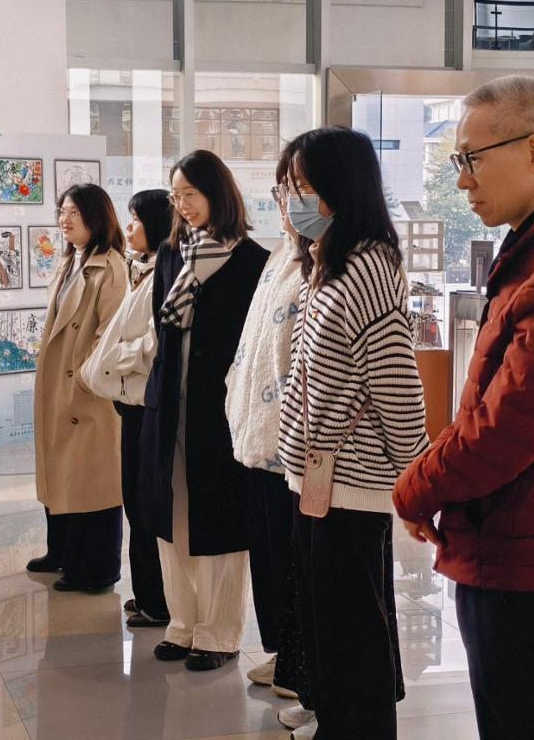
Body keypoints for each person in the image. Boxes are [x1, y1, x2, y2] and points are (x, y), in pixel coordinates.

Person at [393, 75, 534, 740]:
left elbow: (499, 435)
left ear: (532, 150)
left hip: (524, 555)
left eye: (470, 158)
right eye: (455, 161)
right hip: (512, 544)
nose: (462, 179)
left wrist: (414, 489)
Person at [276, 126, 428, 740]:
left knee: (352, 640)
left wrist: (420, 484)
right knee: (328, 634)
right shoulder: (329, 263)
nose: (293, 200)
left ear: (340, 187)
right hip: (316, 477)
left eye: (302, 186)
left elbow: (397, 388)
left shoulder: (368, 269)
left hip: (352, 486)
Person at [140, 150, 269, 671]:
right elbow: (159, 329)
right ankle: (183, 623)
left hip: (220, 411)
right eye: (176, 196)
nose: (182, 205)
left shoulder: (253, 260)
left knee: (219, 521)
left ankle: (219, 634)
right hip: (169, 403)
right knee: (170, 514)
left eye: (190, 194)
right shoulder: (172, 254)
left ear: (218, 193)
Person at [224, 149, 304, 696]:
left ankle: (300, 665)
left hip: (293, 445)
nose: (286, 203)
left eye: (296, 190)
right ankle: (283, 654)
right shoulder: (280, 254)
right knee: (269, 556)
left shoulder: (329, 262)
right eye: (281, 191)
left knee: (293, 561)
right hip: (256, 435)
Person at [28, 183, 128, 593]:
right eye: (62, 212)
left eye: (74, 213)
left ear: (96, 217)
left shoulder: (111, 267)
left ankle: (96, 570)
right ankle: (62, 552)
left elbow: (112, 333)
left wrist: (86, 376)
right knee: (62, 474)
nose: (64, 220)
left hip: (87, 392)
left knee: (93, 483)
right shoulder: (71, 260)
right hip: (61, 387)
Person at [81, 189, 174, 628]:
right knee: (135, 503)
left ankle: (158, 601)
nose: (130, 226)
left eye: (136, 218)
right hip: (129, 400)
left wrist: (113, 356)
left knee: (146, 505)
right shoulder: (143, 268)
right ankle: (147, 594)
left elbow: (154, 343)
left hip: (144, 400)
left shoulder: (164, 274)